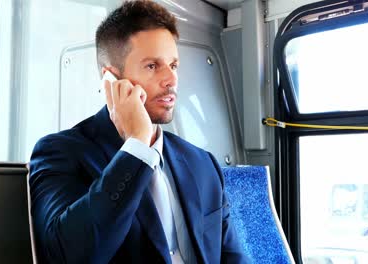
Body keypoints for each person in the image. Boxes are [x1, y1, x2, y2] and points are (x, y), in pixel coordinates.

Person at [29, 0, 249, 263]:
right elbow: (69, 256)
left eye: (174, 65)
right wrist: (137, 147)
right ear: (111, 80)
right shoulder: (61, 152)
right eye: (152, 66)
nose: (171, 79)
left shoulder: (202, 163)